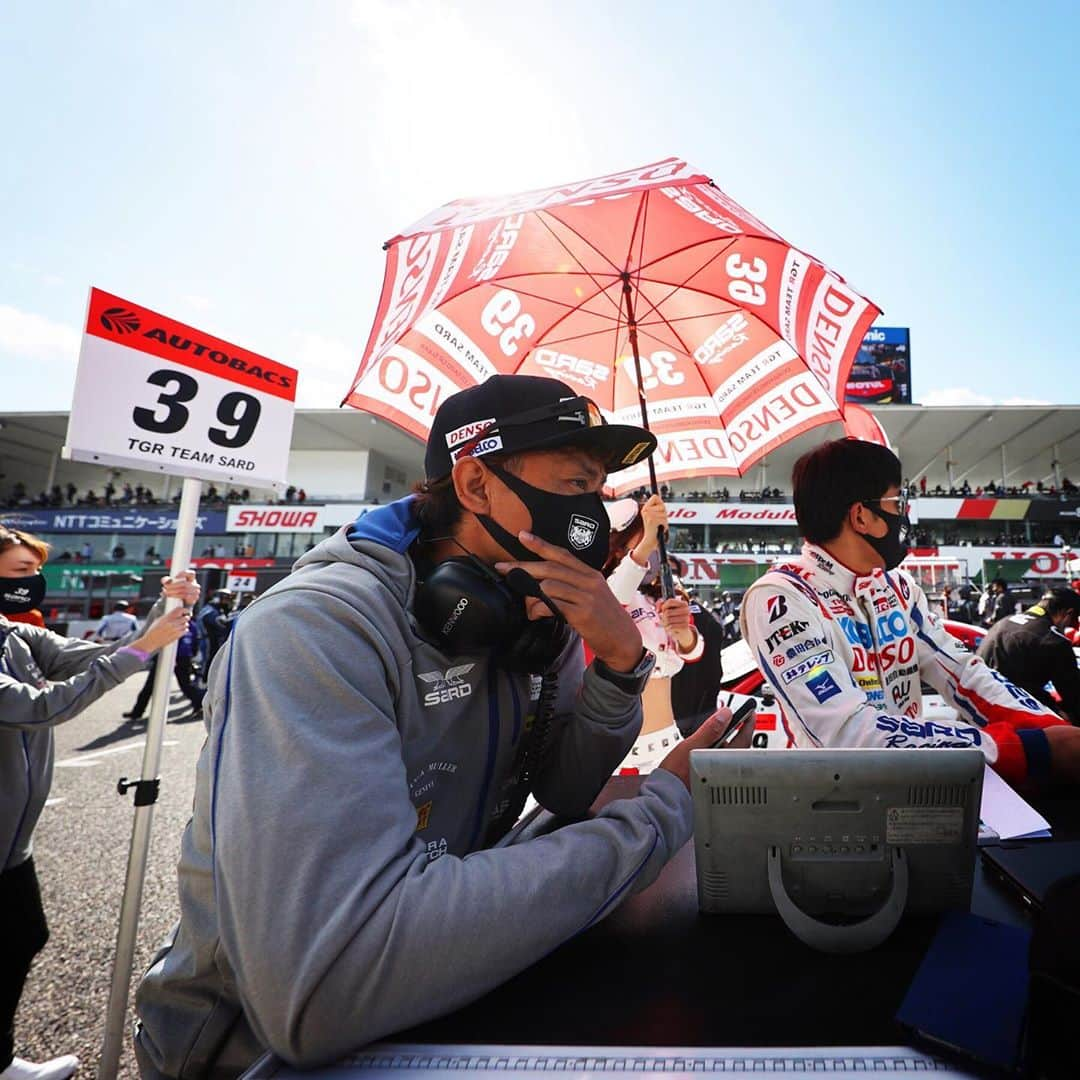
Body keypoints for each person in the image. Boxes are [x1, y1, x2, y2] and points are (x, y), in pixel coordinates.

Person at [134, 375, 734, 1077]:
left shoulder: (528, 614)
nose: (592, 515)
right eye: (575, 484)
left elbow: (567, 790)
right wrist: (658, 815)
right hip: (242, 1053)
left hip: (433, 1004)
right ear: (476, 485)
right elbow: (329, 986)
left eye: (599, 493)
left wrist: (619, 664)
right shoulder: (315, 629)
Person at [739, 438, 1080, 791]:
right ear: (861, 516)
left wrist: (1052, 728)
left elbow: (963, 672)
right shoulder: (780, 597)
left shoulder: (897, 587)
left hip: (915, 792)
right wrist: (1025, 750)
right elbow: (848, 734)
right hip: (830, 806)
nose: (905, 512)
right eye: (898, 501)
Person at [0, 526, 196, 1080]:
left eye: (34, 572)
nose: (32, 584)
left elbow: (104, 655)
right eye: (19, 574)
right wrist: (146, 645)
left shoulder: (13, 635)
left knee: (21, 935)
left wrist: (167, 605)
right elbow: (43, 707)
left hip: (13, 841)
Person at [602, 497, 704, 772]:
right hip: (618, 753)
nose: (650, 554)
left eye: (655, 543)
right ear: (617, 549)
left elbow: (693, 651)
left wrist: (684, 633)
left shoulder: (661, 595)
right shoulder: (599, 592)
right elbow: (610, 605)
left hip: (669, 744)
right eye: (640, 544)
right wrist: (646, 543)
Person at [977, 587, 1080, 723]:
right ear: (1067, 614)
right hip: (1010, 721)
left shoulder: (1003, 623)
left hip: (975, 711)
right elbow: (1075, 697)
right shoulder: (1053, 640)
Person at [123, 620, 205, 723]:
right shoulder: (191, 624)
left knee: (152, 685)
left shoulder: (173, 622)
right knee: (184, 684)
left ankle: (137, 712)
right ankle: (137, 711)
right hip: (183, 657)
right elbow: (195, 641)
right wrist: (191, 655)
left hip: (168, 656)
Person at [194, 590, 234, 673]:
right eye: (225, 599)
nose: (227, 602)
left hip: (210, 639)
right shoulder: (210, 611)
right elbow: (221, 624)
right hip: (207, 639)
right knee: (208, 659)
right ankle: (202, 681)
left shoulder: (216, 609)